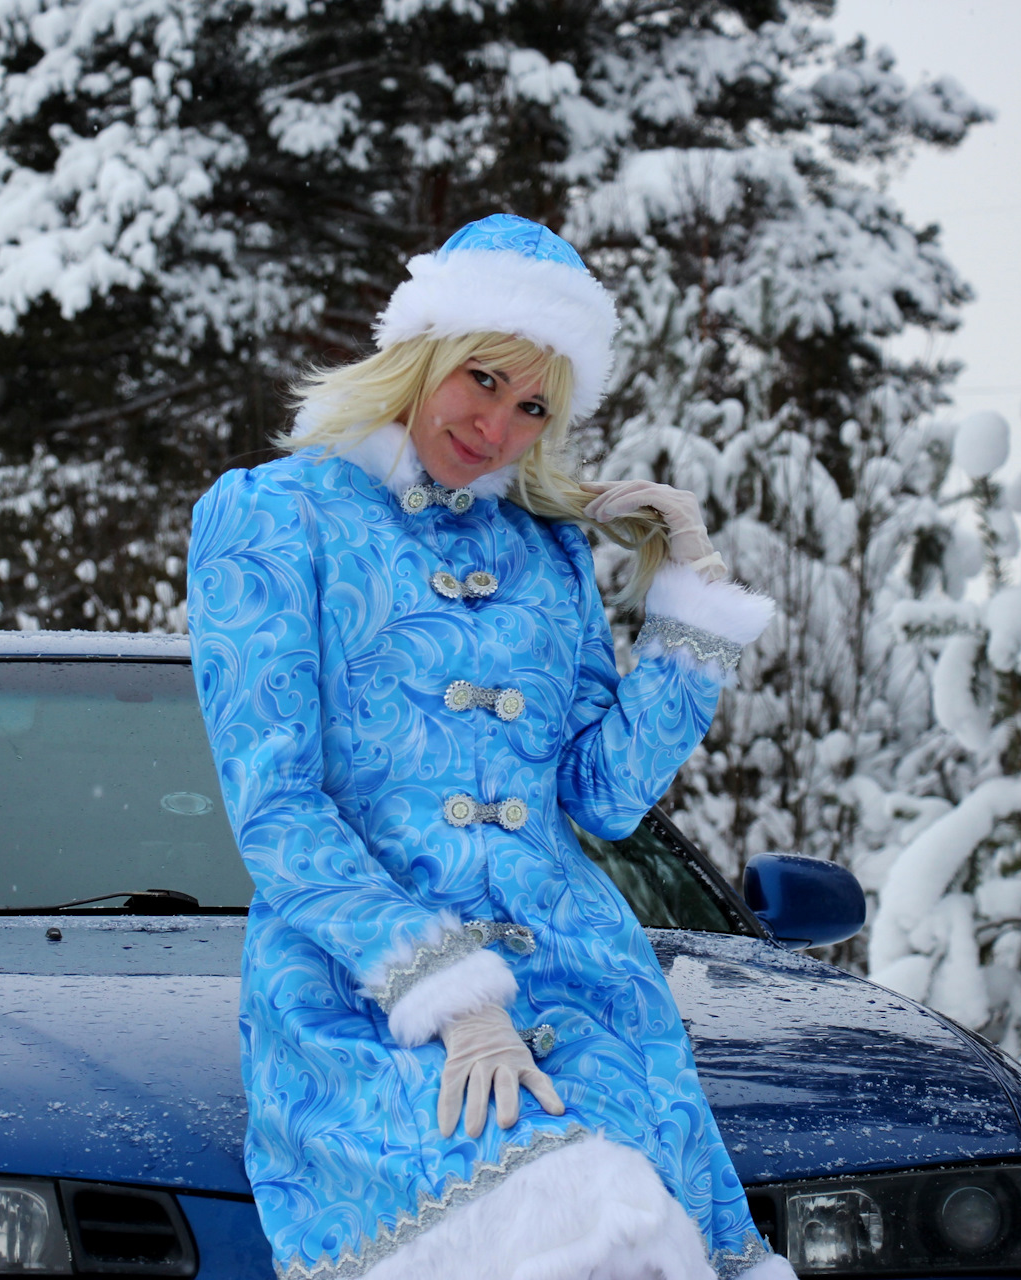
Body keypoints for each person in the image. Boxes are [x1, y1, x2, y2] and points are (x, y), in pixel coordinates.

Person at [187, 214, 791, 1280]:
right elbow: (276, 806)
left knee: (644, 1241)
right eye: (481, 378)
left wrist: (687, 603)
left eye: (535, 407)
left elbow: (601, 796)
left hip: (585, 985)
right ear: (420, 351)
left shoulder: (546, 549)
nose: (498, 425)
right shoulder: (275, 514)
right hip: (367, 990)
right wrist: (453, 995)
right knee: (563, 1215)